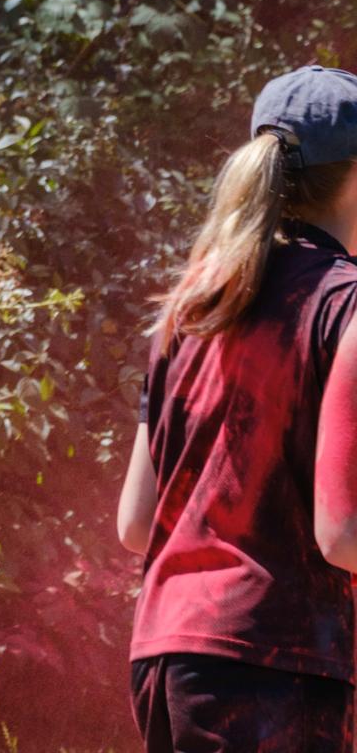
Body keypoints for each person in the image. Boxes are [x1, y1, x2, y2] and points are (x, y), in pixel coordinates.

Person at [117, 65, 357, 751]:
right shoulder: (346, 306)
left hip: (167, 658)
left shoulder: (192, 309)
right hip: (280, 664)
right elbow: (341, 534)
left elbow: (138, 522)